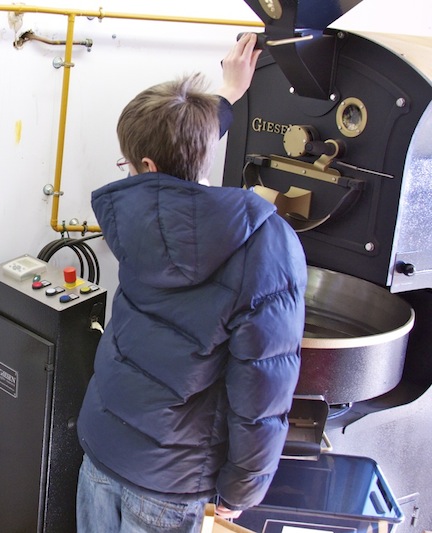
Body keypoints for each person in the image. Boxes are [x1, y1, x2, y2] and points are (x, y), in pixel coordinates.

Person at [76, 34, 307, 533]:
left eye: (130, 164)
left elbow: (171, 158)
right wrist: (242, 488)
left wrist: (226, 94)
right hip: (171, 479)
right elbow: (263, 385)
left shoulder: (131, 216)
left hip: (103, 448)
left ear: (148, 169)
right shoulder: (264, 241)